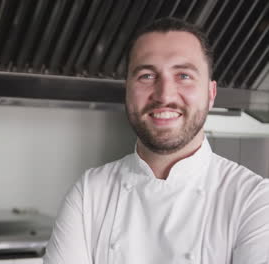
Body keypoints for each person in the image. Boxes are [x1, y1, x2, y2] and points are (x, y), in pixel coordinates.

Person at [43, 17, 269, 264]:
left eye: (183, 75)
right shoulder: (90, 193)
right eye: (147, 76)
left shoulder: (253, 200)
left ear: (211, 93)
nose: (164, 95)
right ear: (127, 90)